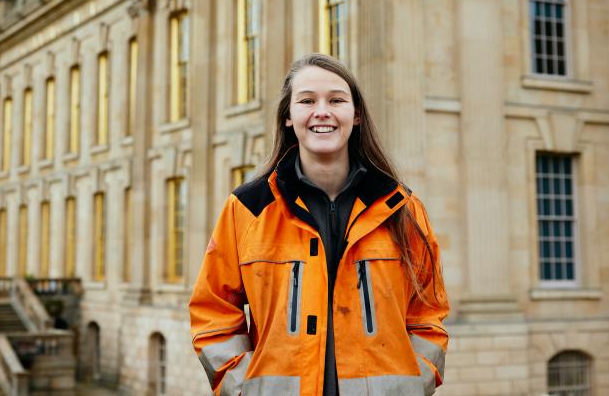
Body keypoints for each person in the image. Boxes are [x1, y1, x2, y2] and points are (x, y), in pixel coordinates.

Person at [189, 53, 449, 396]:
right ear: (288, 116)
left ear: (355, 115)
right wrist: (243, 388)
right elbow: (213, 313)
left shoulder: (403, 209)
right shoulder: (247, 209)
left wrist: (413, 383)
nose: (322, 111)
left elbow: (427, 315)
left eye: (337, 100)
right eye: (307, 100)